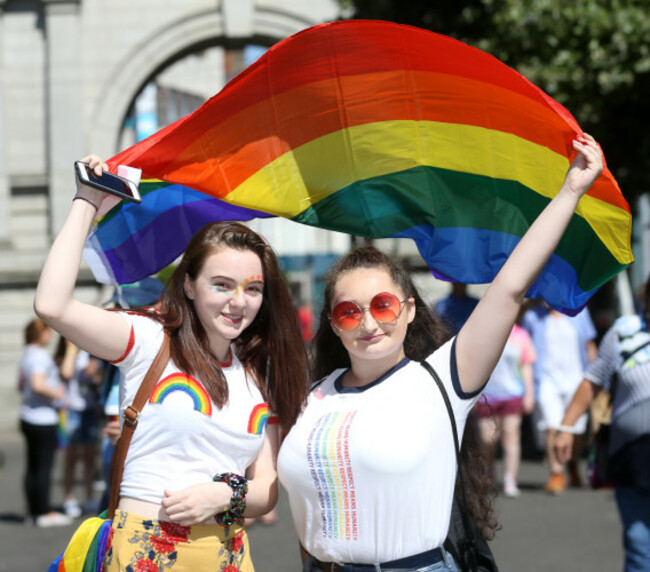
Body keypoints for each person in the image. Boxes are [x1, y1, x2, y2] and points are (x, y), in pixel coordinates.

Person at [277, 134, 604, 571]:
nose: (369, 323)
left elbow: (509, 288)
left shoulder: (440, 380)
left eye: (383, 305)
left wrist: (571, 191)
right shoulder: (313, 397)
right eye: (350, 312)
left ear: (409, 309)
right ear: (334, 324)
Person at [34, 155, 308, 571]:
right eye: (222, 285)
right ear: (190, 285)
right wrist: (86, 200)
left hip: (228, 554)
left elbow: (266, 489)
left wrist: (225, 496)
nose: (239, 302)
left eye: (252, 288)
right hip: (146, 550)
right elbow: (52, 306)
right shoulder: (148, 339)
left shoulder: (258, 369)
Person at [555, 282, 650, 572]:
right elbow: (593, 380)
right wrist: (567, 427)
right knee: (639, 545)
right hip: (632, 458)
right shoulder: (625, 331)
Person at [522, 303, 597, 493]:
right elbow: (521, 341)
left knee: (575, 429)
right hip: (546, 380)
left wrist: (597, 381)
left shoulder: (579, 311)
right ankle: (556, 472)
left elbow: (589, 346)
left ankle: (572, 464)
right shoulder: (533, 316)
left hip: (576, 380)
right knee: (551, 424)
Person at [18, 318, 72, 527]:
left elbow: (22, 385)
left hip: (28, 415)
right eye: (47, 332)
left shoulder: (26, 354)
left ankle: (33, 510)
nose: (50, 336)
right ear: (40, 334)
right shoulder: (39, 356)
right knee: (43, 467)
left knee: (32, 466)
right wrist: (57, 394)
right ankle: (42, 511)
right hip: (42, 419)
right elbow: (37, 384)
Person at [474, 320, 536, 498]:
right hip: (487, 395)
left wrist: (529, 395)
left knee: (511, 436)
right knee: (488, 438)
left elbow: (526, 367)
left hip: (513, 394)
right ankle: (488, 470)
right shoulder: (484, 332)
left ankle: (510, 479)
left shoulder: (521, 335)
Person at [55, 337, 103, 517]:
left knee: (90, 456)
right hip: (72, 409)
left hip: (90, 410)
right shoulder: (70, 353)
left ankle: (89, 496)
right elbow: (66, 373)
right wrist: (71, 349)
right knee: (71, 457)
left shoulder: (91, 350)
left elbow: (93, 374)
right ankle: (69, 497)